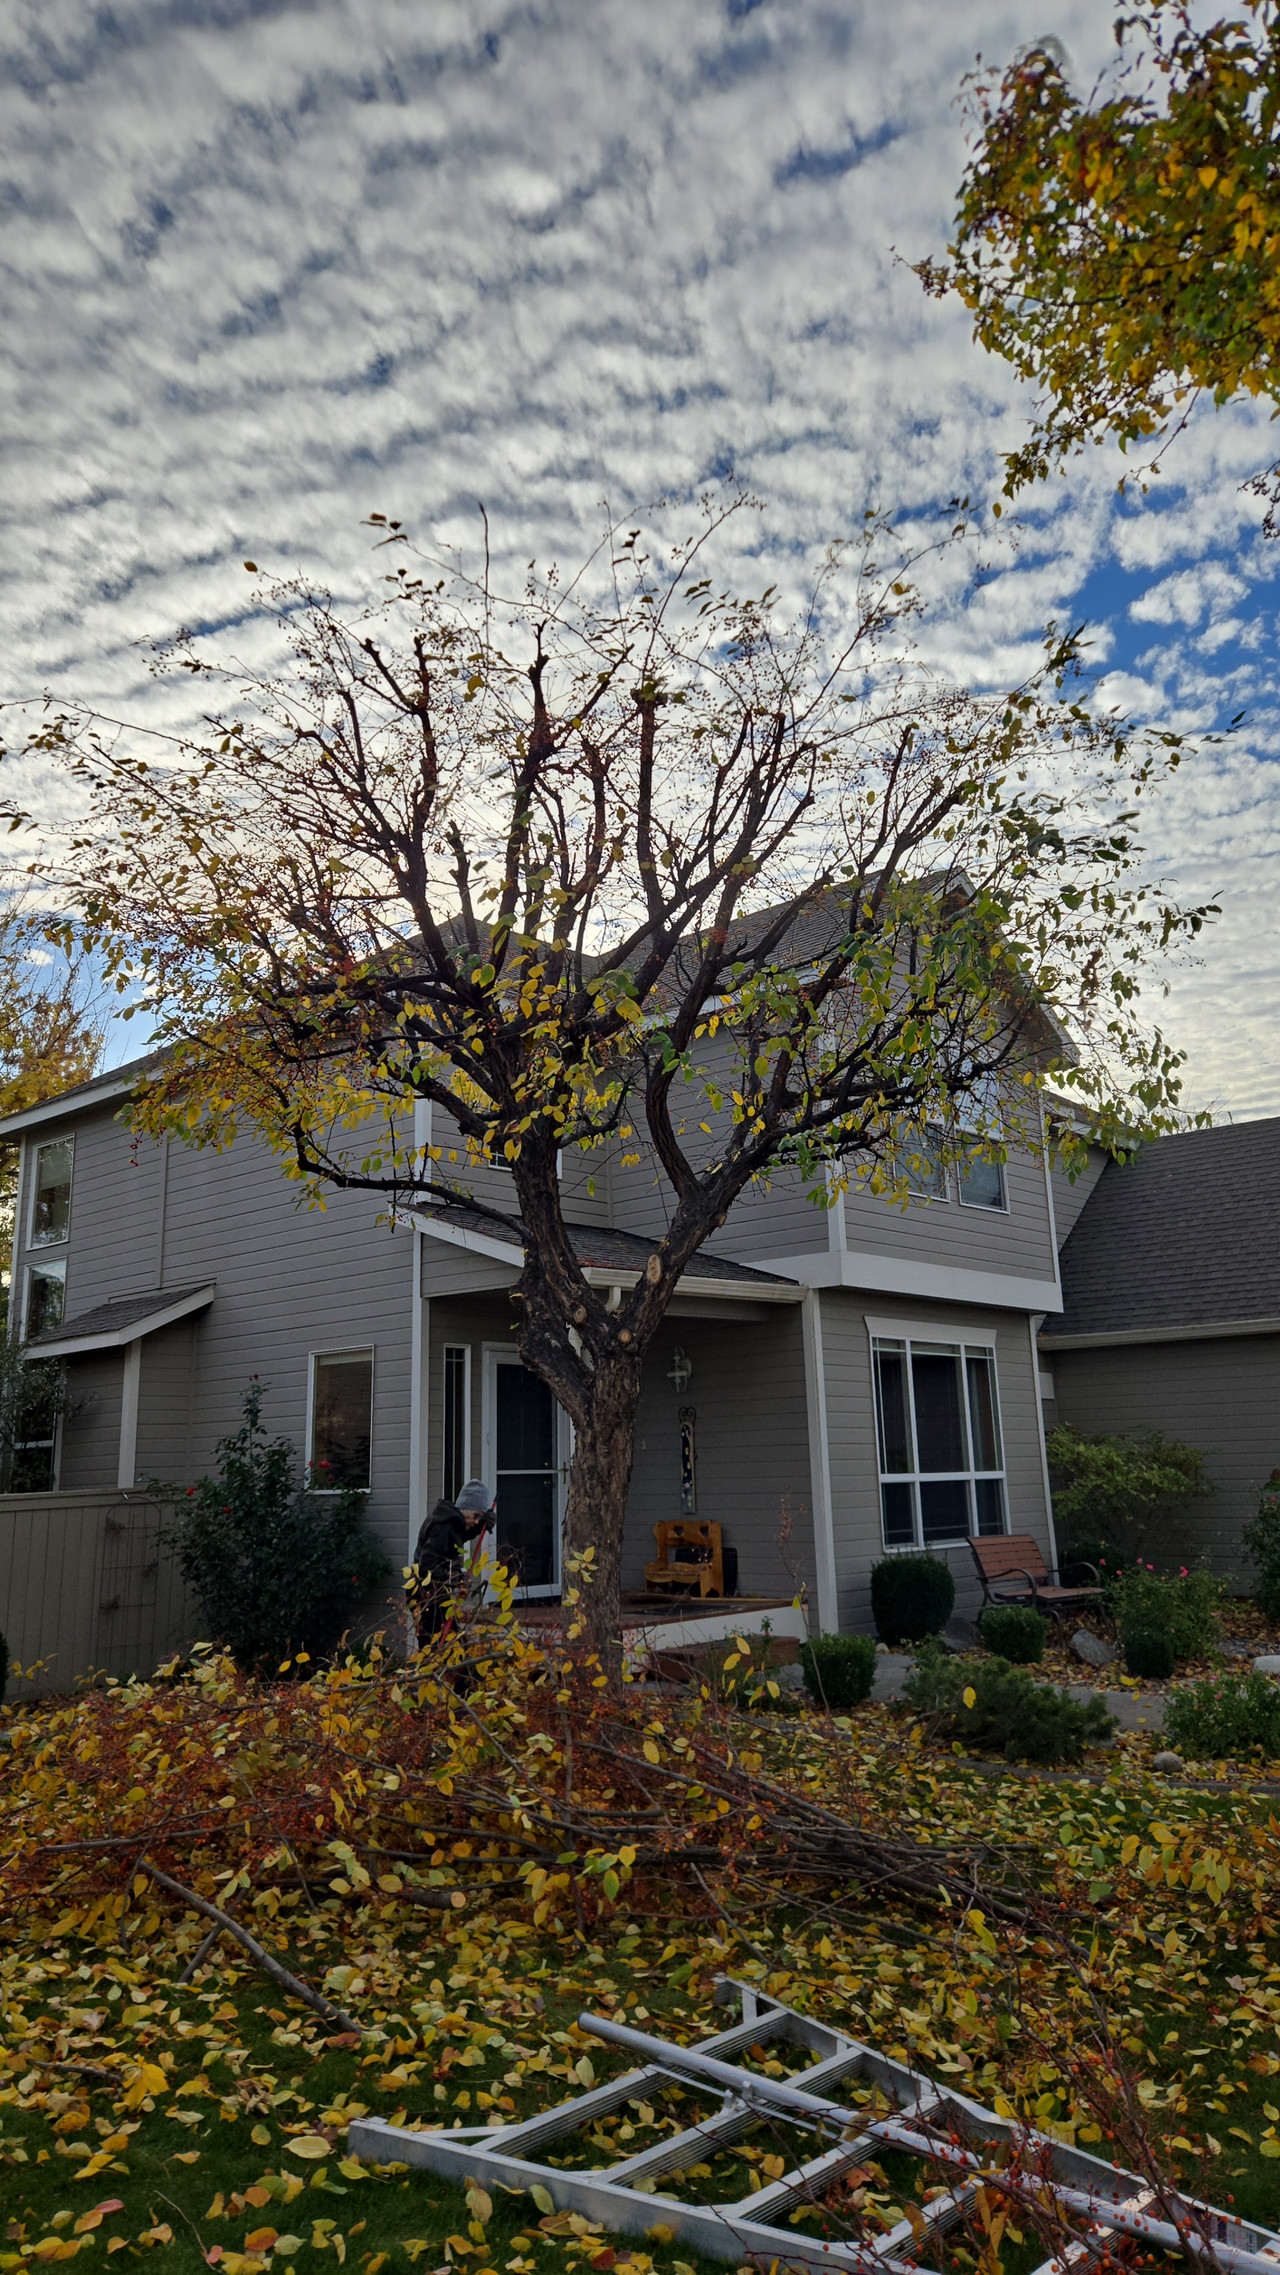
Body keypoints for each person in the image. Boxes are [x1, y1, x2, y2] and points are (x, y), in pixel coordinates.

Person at [411, 1479, 496, 1648]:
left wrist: (481, 1527)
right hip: (424, 1593)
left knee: (451, 1641)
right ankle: (432, 1672)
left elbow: (460, 1537)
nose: (477, 1521)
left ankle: (447, 1671)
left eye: (481, 1516)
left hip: (436, 1591)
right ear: (465, 1508)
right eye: (476, 1516)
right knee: (434, 1644)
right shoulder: (443, 1526)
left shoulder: (453, 1521)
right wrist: (453, 1578)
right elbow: (426, 1565)